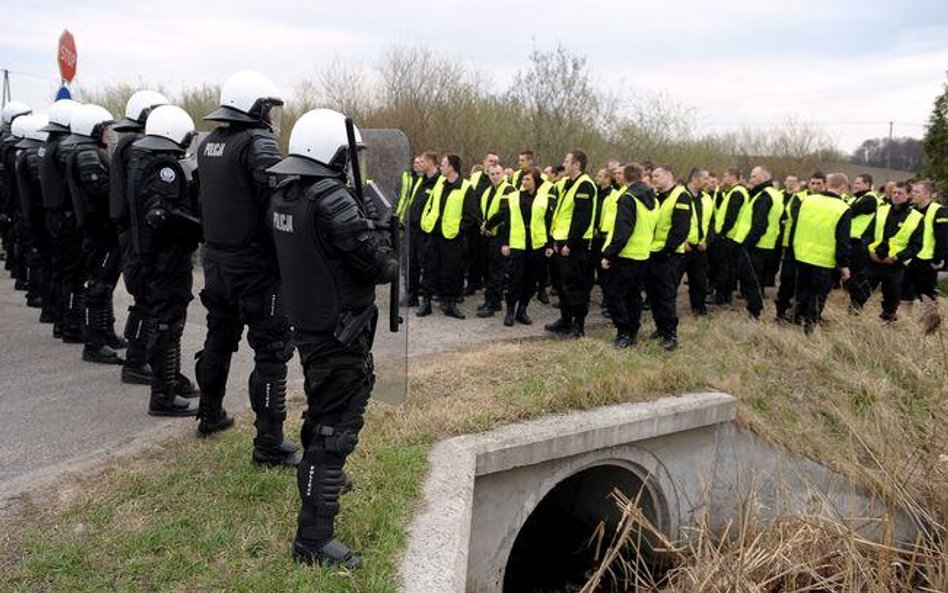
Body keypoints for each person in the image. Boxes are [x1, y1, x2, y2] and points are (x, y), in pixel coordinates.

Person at [267, 109, 398, 567]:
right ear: (333, 153)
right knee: (336, 429)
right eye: (349, 155)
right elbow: (382, 267)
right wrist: (380, 227)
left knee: (322, 410)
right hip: (339, 333)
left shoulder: (286, 192)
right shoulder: (332, 199)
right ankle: (313, 538)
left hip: (311, 325)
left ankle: (316, 474)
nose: (352, 164)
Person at [194, 70, 299, 466]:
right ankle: (269, 443)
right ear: (254, 107)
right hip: (256, 267)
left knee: (219, 337)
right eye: (270, 108)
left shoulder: (211, 144)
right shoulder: (258, 143)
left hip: (217, 261)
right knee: (272, 351)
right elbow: (284, 193)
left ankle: (209, 412)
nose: (273, 117)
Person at [126, 105, 202, 416]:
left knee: (169, 324)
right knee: (167, 325)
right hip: (166, 261)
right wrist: (200, 227)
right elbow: (162, 215)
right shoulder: (164, 168)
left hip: (156, 259)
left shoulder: (142, 160)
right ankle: (163, 394)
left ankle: (169, 383)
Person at [111, 89, 172, 386]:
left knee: (143, 302)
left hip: (128, 234)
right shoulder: (137, 147)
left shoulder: (126, 145)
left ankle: (137, 358)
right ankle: (137, 360)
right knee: (148, 302)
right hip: (138, 237)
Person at [63, 104, 126, 364]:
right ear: (92, 130)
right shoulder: (86, 154)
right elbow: (99, 189)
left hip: (103, 230)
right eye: (105, 128)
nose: (109, 133)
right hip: (98, 231)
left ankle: (106, 332)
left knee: (106, 284)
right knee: (98, 287)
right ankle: (93, 343)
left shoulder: (93, 151)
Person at [38, 99, 83, 343]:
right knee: (71, 273)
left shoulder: (47, 146)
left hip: (51, 213)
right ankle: (70, 325)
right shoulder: (64, 147)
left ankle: (58, 318)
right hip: (65, 216)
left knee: (58, 269)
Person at [785, 173, 852, 332]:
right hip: (823, 260)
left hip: (801, 255)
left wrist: (793, 250)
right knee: (817, 296)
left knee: (803, 290)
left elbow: (795, 227)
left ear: (827, 184)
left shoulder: (807, 200)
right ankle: (809, 328)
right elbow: (842, 240)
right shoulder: (843, 208)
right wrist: (843, 265)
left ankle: (796, 314)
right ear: (842, 187)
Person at [849, 181, 923, 322]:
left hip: (895, 265)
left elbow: (916, 246)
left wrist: (896, 257)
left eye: (900, 193)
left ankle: (887, 323)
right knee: (860, 294)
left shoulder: (916, 218)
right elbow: (867, 235)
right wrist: (870, 252)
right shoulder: (882, 210)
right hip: (874, 261)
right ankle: (851, 320)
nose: (896, 196)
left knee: (891, 299)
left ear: (908, 195)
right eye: (894, 192)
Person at [601, 163, 656, 348]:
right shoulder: (651, 197)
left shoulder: (628, 198)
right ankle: (632, 331)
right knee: (633, 296)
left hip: (626, 255)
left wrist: (609, 254)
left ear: (624, 177)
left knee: (614, 295)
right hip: (643, 254)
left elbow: (623, 230)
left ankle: (623, 332)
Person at [417, 153, 478, 318]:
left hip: (452, 238)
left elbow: (472, 216)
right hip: (434, 234)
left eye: (443, 165)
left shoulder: (466, 187)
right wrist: (427, 219)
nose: (440, 167)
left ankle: (450, 304)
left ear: (451, 167)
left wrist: (458, 228)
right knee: (429, 269)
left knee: (451, 272)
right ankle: (426, 303)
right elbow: (430, 204)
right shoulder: (439, 184)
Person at [544, 150, 597, 338]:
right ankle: (565, 320)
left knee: (576, 286)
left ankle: (578, 325)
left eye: (567, 161)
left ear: (577, 164)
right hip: (560, 241)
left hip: (575, 245)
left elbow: (581, 219)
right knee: (561, 285)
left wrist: (571, 244)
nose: (563, 164)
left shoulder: (585, 186)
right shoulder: (566, 184)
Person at [646, 165, 693, 351]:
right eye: (652, 176)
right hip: (653, 253)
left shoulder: (681, 196)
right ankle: (660, 327)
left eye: (657, 176)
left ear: (669, 176)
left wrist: (667, 249)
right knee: (653, 294)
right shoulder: (657, 197)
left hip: (669, 255)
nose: (653, 179)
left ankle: (671, 334)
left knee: (666, 295)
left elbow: (680, 229)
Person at [496, 167, 550, 326]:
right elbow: (507, 221)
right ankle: (510, 310)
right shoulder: (513, 197)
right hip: (518, 243)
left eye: (528, 179)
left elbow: (547, 222)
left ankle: (522, 310)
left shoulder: (543, 198)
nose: (524, 182)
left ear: (536, 181)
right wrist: (505, 242)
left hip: (536, 245)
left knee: (531, 280)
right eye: (523, 179)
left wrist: (549, 244)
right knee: (515, 279)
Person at [730, 166, 784, 319]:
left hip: (756, 246)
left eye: (754, 176)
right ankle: (756, 311)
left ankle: (754, 314)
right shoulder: (774, 193)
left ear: (764, 178)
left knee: (751, 282)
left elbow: (760, 225)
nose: (750, 179)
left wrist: (746, 245)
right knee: (756, 281)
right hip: (767, 244)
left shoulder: (764, 196)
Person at [11, 114, 51, 314]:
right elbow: (40, 185)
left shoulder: (22, 154)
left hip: (27, 211)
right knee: (39, 256)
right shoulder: (32, 157)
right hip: (36, 213)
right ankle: (36, 293)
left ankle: (34, 291)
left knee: (34, 253)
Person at [0, 101, 32, 285]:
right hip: (10, 191)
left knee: (16, 232)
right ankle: (19, 272)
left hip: (12, 191)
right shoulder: (10, 143)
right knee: (17, 232)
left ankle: (15, 266)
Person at [402, 151, 439, 307]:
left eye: (422, 162)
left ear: (430, 163)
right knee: (411, 264)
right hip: (412, 229)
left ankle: (427, 299)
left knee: (428, 266)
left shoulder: (439, 182)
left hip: (427, 232)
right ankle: (411, 296)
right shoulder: (420, 180)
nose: (419, 165)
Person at [478, 163, 515, 317]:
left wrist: (488, 224)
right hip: (489, 235)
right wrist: (484, 225)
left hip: (501, 236)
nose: (495, 176)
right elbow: (484, 210)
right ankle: (491, 301)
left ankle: (493, 304)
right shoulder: (488, 191)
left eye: (497, 173)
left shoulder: (508, 190)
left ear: (503, 174)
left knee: (497, 272)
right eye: (492, 174)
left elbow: (504, 212)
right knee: (489, 271)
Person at [709, 167, 748, 304]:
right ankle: (725, 296)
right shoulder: (736, 191)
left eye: (725, 176)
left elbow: (731, 216)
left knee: (724, 269)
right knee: (729, 268)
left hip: (728, 236)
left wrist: (722, 233)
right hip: (731, 236)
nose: (724, 179)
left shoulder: (737, 193)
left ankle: (721, 296)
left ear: (732, 176)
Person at [906, 179, 947, 301]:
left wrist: (937, 260)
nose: (913, 194)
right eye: (912, 191)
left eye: (917, 191)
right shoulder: (910, 209)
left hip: (927, 260)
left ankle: (932, 319)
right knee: (905, 294)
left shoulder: (939, 210)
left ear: (928, 194)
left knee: (927, 296)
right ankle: (906, 320)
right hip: (909, 258)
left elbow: (943, 238)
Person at [679, 168, 713, 316]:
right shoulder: (680, 195)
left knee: (699, 281)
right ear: (694, 178)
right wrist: (681, 242)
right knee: (673, 280)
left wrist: (707, 241)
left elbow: (711, 223)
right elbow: (674, 222)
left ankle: (699, 310)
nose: (707, 182)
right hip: (683, 247)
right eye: (705, 178)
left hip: (700, 247)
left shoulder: (707, 198)